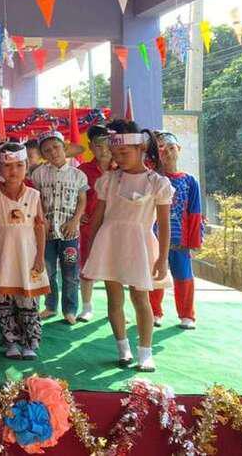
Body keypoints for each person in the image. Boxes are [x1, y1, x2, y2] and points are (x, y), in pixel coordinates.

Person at [82, 119, 173, 372]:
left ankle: (145, 352)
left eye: (124, 152)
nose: (118, 158)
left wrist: (162, 258)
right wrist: (91, 248)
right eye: (115, 153)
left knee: (140, 298)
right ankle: (123, 348)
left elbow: (164, 225)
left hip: (140, 245)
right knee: (114, 299)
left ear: (141, 148)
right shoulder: (109, 180)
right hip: (109, 243)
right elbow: (98, 216)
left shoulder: (158, 183)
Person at [0, 142, 49, 360]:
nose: (13, 171)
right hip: (2, 253)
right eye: (8, 166)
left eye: (19, 165)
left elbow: (40, 226)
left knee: (28, 298)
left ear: (27, 166)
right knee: (4, 299)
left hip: (27, 254)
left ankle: (30, 342)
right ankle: (10, 342)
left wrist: (40, 256)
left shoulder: (34, 195)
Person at [32, 131, 88, 325]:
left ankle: (70, 309)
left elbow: (82, 200)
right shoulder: (38, 174)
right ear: (42, 154)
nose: (53, 152)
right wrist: (42, 220)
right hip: (46, 233)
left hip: (69, 233)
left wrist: (75, 221)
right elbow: (36, 199)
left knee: (70, 273)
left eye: (56, 147)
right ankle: (50, 306)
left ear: (64, 148)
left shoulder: (78, 175)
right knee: (48, 271)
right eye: (47, 150)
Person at [150, 131, 204, 330]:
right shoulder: (153, 178)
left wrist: (195, 240)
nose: (168, 153)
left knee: (184, 277)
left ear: (179, 149)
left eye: (172, 148)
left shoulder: (189, 181)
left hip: (180, 240)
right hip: (155, 238)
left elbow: (195, 212)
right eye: (162, 150)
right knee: (156, 277)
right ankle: (154, 312)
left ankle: (187, 315)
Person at [76, 125, 115, 322]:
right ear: (91, 146)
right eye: (99, 146)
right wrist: (78, 214)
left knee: (114, 268)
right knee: (87, 266)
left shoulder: (121, 169)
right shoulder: (82, 170)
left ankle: (115, 308)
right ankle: (86, 306)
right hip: (90, 227)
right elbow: (73, 196)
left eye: (108, 145)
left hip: (115, 227)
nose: (104, 150)